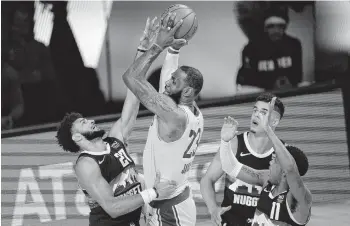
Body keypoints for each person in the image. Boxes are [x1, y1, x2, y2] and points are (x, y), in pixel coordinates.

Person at [55, 17, 177, 226]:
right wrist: (154, 192)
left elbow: (133, 93)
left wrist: (143, 49)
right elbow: (112, 208)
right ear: (77, 137)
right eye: (84, 123)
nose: (91, 121)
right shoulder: (86, 165)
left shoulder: (114, 141)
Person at [122, 13, 204, 226]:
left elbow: (130, 77)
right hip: (171, 202)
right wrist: (173, 50)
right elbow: (166, 88)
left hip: (170, 211)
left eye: (174, 81)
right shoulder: (191, 112)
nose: (167, 82)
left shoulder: (174, 115)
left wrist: (158, 45)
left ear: (186, 91)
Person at [219, 97, 311, 226]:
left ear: (284, 171)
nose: (270, 164)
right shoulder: (266, 178)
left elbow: (290, 168)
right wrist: (225, 141)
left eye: (274, 161)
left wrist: (268, 129)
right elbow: (230, 167)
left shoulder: (301, 197)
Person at [200, 93, 285, 226]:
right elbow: (207, 179)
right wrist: (213, 209)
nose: (256, 115)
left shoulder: (283, 153)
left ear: (274, 121)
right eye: (255, 110)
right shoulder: (234, 144)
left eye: (263, 112)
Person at [236, 10, 304, 92]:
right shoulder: (250, 49)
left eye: (280, 26)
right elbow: (247, 80)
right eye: (271, 26)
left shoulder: (294, 45)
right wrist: (270, 84)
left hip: (288, 92)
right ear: (265, 28)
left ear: (285, 27)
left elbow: (298, 74)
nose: (276, 30)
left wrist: (291, 81)